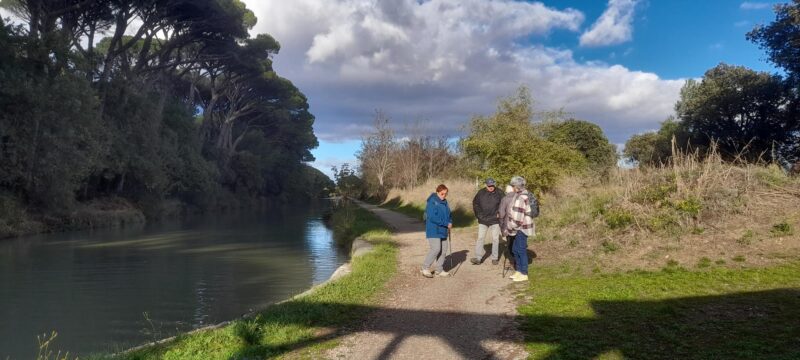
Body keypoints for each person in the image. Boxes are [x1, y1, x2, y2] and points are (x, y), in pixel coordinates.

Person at [506, 176, 537, 282]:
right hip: (520, 227)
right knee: (515, 249)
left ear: (516, 187)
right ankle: (518, 271)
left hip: (521, 228)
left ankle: (524, 273)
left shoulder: (520, 198)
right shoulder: (521, 195)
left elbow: (518, 218)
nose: (512, 187)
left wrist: (510, 228)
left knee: (521, 250)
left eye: (513, 186)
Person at [422, 184, 453, 278]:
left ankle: (439, 270)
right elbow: (432, 217)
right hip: (433, 229)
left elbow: (449, 214)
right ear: (437, 192)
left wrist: (450, 222)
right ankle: (425, 268)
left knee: (443, 250)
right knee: (436, 249)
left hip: (443, 229)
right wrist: (445, 223)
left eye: (445, 194)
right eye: (442, 193)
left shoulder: (446, 202)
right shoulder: (432, 201)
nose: (444, 196)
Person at [471, 178, 504, 265]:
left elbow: (504, 204)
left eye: (492, 185)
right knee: (480, 238)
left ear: (494, 184)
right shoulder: (480, 193)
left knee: (495, 239)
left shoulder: (500, 193)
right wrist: (479, 216)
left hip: (495, 220)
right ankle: (478, 258)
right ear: (486, 185)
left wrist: (499, 213)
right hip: (483, 220)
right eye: (489, 186)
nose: (491, 187)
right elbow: (475, 204)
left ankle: (494, 258)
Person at [498, 184, 517, 271]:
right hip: (518, 225)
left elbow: (501, 214)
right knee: (517, 243)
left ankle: (513, 262)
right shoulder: (519, 197)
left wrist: (501, 226)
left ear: (506, 191)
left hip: (508, 225)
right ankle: (517, 262)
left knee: (510, 244)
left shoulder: (504, 199)